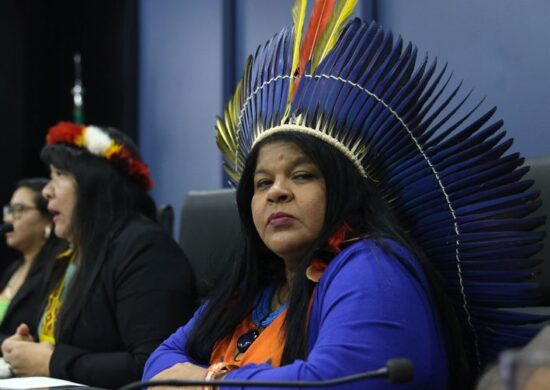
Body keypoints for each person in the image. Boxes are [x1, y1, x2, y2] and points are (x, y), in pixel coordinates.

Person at [143, 1, 544, 389]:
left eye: (301, 175)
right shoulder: (253, 289)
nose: (277, 192)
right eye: (262, 183)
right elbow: (160, 360)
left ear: (342, 193)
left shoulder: (372, 268)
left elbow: (329, 384)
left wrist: (211, 381)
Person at [1, 121, 197, 388]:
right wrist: (26, 349)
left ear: (95, 185)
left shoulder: (146, 249)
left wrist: (53, 362)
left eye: (59, 175)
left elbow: (153, 366)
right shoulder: (68, 253)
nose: (47, 190)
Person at [0, 178, 66, 345]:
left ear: (48, 218)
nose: (8, 219)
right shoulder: (13, 269)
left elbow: (37, 337)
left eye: (19, 209)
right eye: (9, 210)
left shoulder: (56, 270)